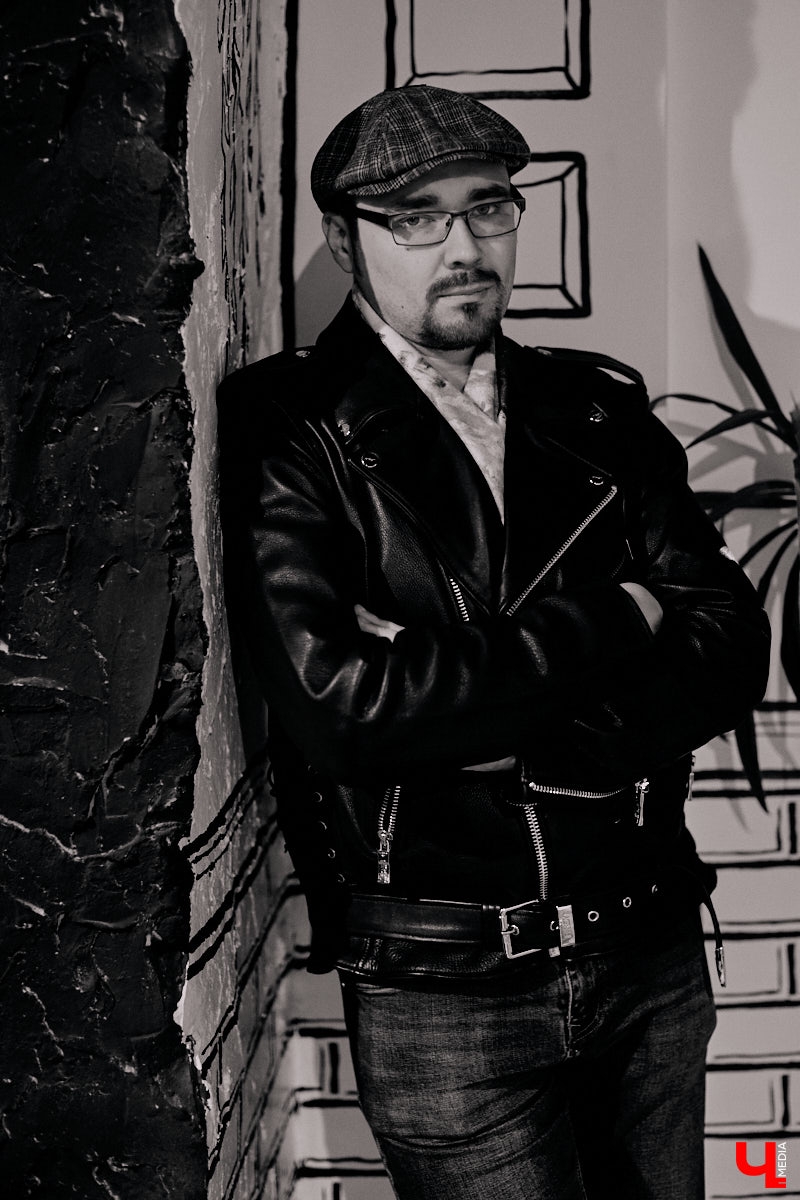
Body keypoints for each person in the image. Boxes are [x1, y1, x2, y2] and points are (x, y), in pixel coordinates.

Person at [217, 85, 770, 1200]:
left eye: (487, 208)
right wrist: (619, 615)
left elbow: (726, 643)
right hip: (446, 987)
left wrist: (490, 720)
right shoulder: (293, 427)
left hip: (647, 952)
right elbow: (345, 712)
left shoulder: (597, 409)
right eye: (415, 218)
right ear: (344, 238)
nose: (464, 247)